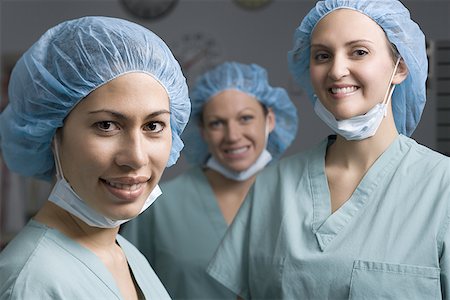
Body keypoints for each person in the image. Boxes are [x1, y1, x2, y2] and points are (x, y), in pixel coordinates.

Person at [206, 1, 450, 299]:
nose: (336, 70)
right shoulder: (273, 186)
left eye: (359, 52)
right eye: (322, 55)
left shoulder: (442, 187)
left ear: (400, 66)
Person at [0, 16, 190, 299]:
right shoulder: (31, 282)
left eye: (153, 126)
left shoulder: (124, 253)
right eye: (106, 125)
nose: (136, 157)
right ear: (52, 133)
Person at [122, 61, 298, 299]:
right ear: (203, 131)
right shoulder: (161, 206)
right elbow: (126, 286)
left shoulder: (300, 194)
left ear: (270, 120)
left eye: (245, 118)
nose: (233, 136)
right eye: (217, 123)